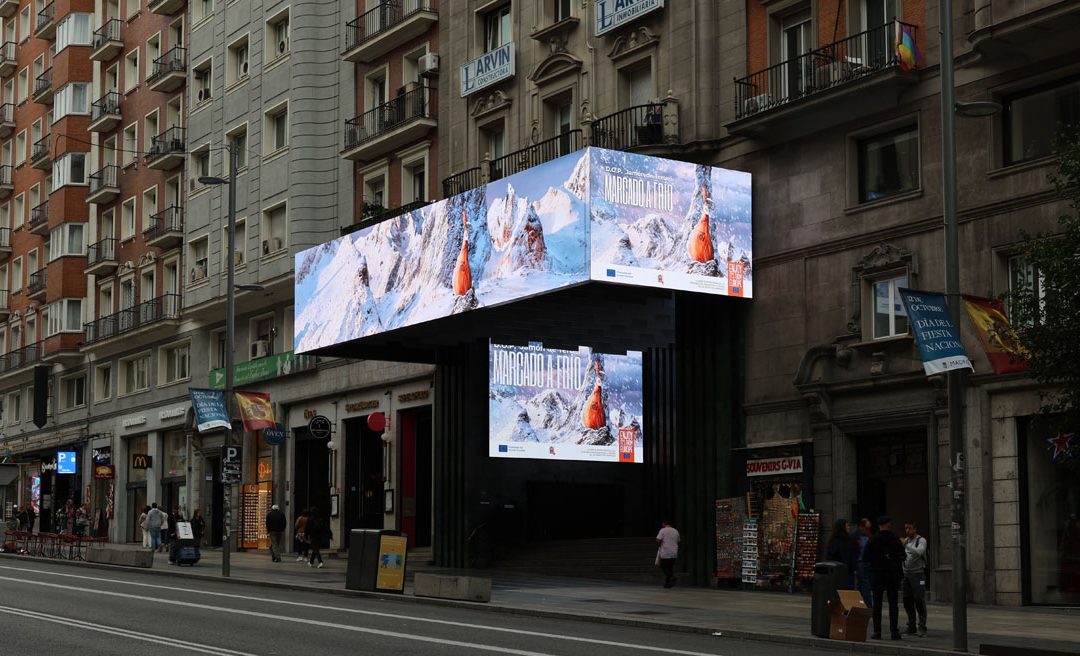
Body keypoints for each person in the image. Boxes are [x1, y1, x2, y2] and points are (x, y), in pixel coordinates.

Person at [865, 515, 906, 641]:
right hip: (892, 576)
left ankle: (877, 632)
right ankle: (894, 631)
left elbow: (866, 557)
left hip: (877, 575)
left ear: (879, 525)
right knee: (893, 604)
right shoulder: (894, 539)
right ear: (888, 525)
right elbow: (903, 556)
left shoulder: (873, 539)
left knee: (877, 604)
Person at [902, 520, 928, 637]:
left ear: (915, 529)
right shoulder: (906, 541)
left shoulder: (920, 540)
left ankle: (922, 627)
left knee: (919, 599)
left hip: (918, 575)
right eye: (906, 528)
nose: (907, 531)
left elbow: (920, 552)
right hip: (906, 575)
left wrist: (906, 545)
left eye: (910, 528)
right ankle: (911, 626)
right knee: (907, 600)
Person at [824, 519, 856, 589]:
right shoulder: (846, 541)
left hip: (836, 572)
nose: (849, 527)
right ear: (842, 527)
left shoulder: (833, 541)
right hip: (844, 572)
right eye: (847, 526)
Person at [855, 517, 874, 608]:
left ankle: (861, 604)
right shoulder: (857, 536)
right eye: (866, 528)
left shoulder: (869, 536)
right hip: (861, 562)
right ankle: (868, 606)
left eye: (868, 528)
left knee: (862, 585)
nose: (867, 530)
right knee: (865, 585)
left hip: (866, 562)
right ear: (861, 527)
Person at [655, 519, 680, 588]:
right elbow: (678, 541)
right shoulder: (676, 531)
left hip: (665, 552)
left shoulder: (662, 530)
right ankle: (667, 584)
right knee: (670, 568)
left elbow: (658, 540)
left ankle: (672, 577)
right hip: (674, 552)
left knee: (664, 567)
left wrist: (660, 544)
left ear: (664, 524)